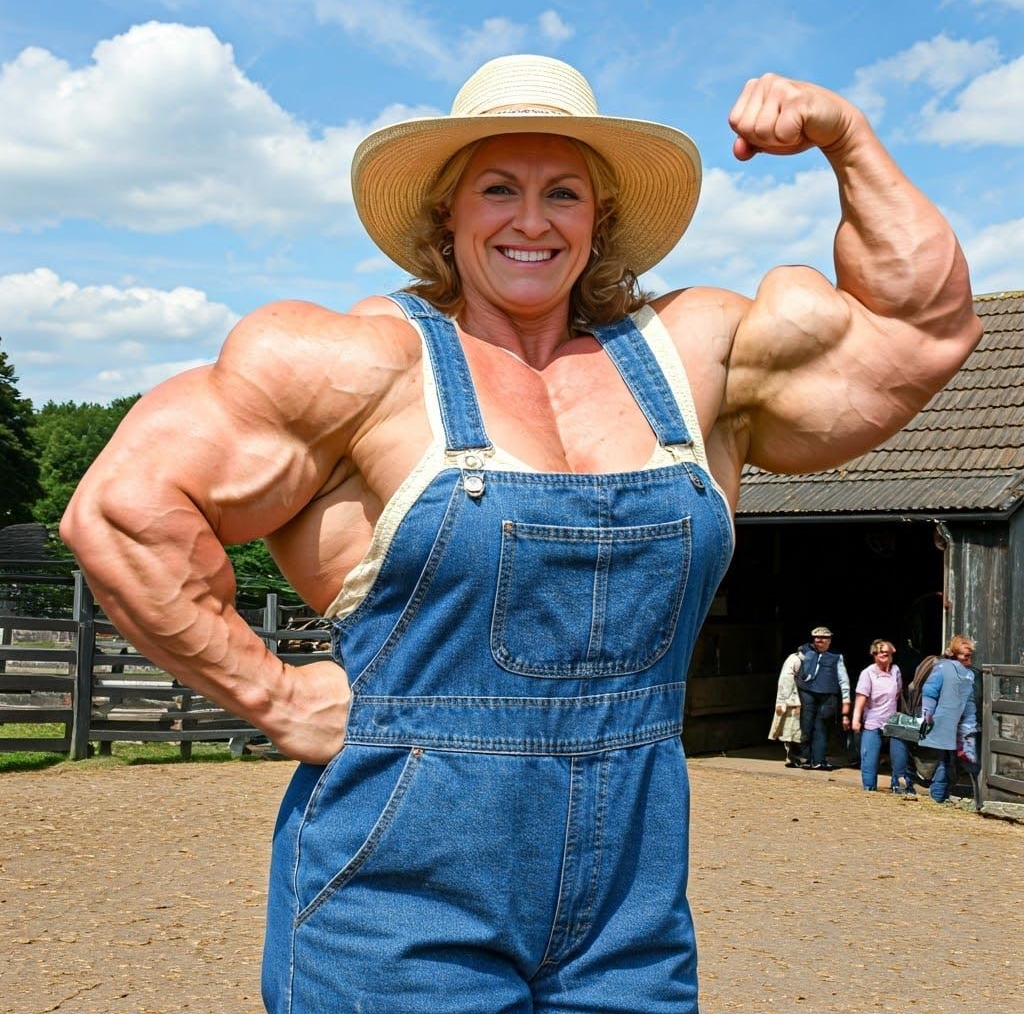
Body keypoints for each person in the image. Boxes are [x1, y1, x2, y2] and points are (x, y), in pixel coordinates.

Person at [59, 54, 981, 1013]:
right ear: (446, 219)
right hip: (397, 908)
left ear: (599, 221)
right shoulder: (357, 363)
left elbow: (920, 327)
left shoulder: (691, 361)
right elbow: (125, 512)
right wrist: (274, 695)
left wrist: (847, 139)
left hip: (632, 917)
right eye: (498, 189)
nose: (531, 220)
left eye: (563, 193)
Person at [908, 635, 979, 804]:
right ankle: (937, 798)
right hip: (943, 722)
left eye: (970, 655)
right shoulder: (942, 668)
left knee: (955, 762)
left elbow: (969, 700)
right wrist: (928, 713)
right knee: (942, 762)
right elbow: (930, 691)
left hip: (960, 725)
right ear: (955, 655)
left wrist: (970, 723)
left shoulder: (969, 674)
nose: (969, 659)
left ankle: (945, 795)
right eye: (965, 655)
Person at [851, 638, 915, 795]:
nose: (882, 654)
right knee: (869, 759)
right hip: (873, 721)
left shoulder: (896, 671)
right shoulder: (868, 673)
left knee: (900, 757)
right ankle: (869, 789)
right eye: (879, 651)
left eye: (886, 651)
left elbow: (899, 694)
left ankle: (899, 787)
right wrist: (855, 719)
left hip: (893, 721)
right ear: (874, 654)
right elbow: (861, 697)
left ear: (892, 653)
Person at [795, 627, 852, 771]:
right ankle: (806, 758)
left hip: (827, 695)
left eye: (824, 638)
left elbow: (843, 679)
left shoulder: (836, 656)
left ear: (830, 640)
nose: (820, 640)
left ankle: (819, 760)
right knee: (806, 725)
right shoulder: (803, 652)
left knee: (821, 727)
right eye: (817, 637)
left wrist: (846, 699)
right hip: (807, 691)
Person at [768, 649, 803, 766]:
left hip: (799, 698)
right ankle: (794, 756)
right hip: (794, 698)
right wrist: (784, 700)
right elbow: (786, 680)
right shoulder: (795, 659)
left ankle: (795, 756)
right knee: (791, 728)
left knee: (793, 728)